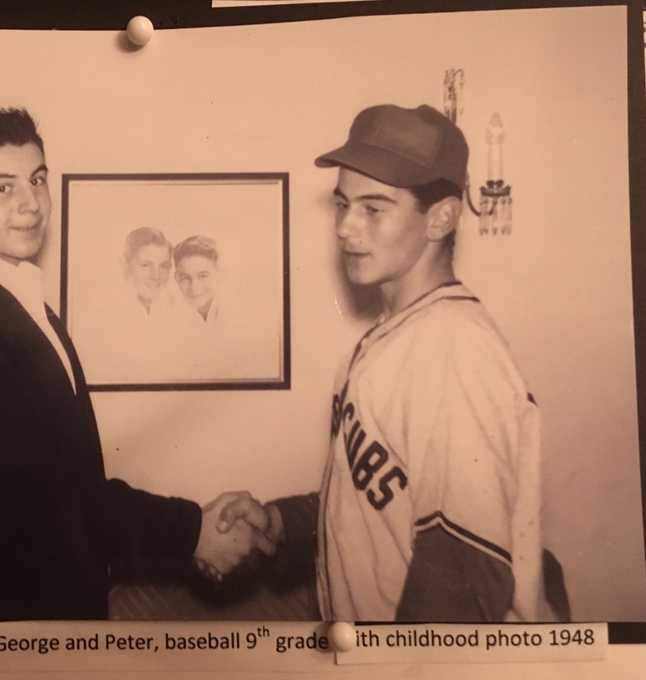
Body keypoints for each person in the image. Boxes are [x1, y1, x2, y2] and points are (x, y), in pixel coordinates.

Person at [0, 107, 273, 622]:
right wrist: (192, 532)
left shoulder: (14, 299)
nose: (31, 203)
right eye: (3, 188)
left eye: (37, 179)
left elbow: (62, 477)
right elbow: (44, 498)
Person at [215, 104, 565, 622]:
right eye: (343, 205)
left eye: (373, 209)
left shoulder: (455, 348)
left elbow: (465, 575)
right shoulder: (398, 335)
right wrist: (280, 521)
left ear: (442, 217)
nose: (345, 228)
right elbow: (383, 498)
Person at [122, 227, 174, 316]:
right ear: (127, 268)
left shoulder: (174, 309)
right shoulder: (111, 314)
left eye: (164, 266)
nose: (156, 276)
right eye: (145, 265)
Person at [173, 235, 222, 325]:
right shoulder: (173, 318)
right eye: (186, 278)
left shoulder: (233, 312)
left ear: (219, 274)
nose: (194, 287)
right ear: (176, 278)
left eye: (203, 276)